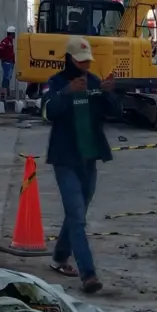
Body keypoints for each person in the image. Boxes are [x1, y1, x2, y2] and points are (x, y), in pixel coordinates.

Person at [44, 35, 117, 294]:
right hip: (65, 159)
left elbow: (113, 113)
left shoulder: (94, 82)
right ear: (70, 59)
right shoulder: (55, 83)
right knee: (77, 217)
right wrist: (66, 93)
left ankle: (60, 257)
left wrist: (108, 94)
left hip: (89, 158)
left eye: (88, 62)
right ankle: (88, 274)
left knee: (78, 213)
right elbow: (48, 111)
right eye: (80, 61)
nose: (85, 66)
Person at [0, 28, 18, 97]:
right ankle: (3, 93)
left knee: (8, 77)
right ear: (12, 34)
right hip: (7, 62)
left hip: (10, 61)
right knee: (6, 77)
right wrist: (2, 58)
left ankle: (7, 93)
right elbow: (0, 48)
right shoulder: (6, 41)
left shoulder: (10, 41)